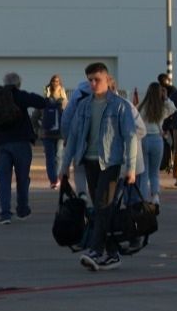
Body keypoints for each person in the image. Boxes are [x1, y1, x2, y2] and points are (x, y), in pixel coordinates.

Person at [59, 62, 142, 272]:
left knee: (104, 206)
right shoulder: (84, 105)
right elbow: (74, 136)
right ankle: (112, 255)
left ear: (107, 79)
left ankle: (95, 250)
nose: (93, 84)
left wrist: (131, 168)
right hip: (89, 161)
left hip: (111, 163)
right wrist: (65, 165)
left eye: (97, 79)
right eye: (90, 80)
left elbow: (131, 137)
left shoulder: (119, 105)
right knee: (100, 208)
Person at [0, 73, 50, 226]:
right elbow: (40, 102)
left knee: (4, 180)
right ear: (18, 84)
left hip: (1, 144)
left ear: (4, 83)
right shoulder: (20, 95)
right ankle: (22, 209)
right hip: (21, 143)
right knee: (22, 178)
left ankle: (5, 214)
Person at [137, 82, 176, 204]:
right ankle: (155, 196)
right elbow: (173, 108)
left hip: (143, 139)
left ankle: (143, 197)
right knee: (154, 172)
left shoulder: (142, 107)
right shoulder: (161, 108)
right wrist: (166, 98)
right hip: (157, 139)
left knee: (144, 172)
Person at [41, 75, 68, 190]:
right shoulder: (45, 100)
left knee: (58, 157)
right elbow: (36, 115)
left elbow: (68, 114)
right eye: (53, 81)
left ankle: (56, 179)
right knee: (50, 158)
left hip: (60, 134)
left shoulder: (63, 100)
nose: (55, 83)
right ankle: (54, 180)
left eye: (57, 81)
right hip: (47, 134)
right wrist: (39, 129)